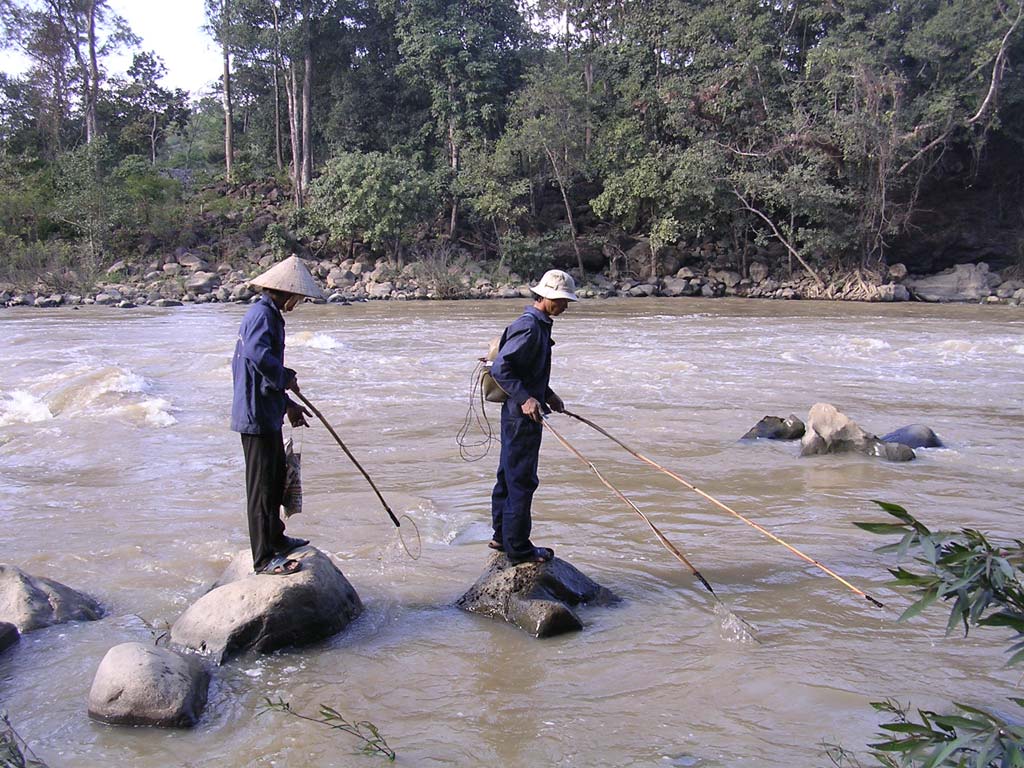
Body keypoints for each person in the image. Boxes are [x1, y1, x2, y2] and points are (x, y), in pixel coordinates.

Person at [231, 255, 323, 575]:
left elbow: (263, 372)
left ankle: (276, 538)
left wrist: (288, 404)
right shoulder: (261, 315)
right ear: (286, 293)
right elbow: (258, 358)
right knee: (260, 489)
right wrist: (285, 376)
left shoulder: (270, 315)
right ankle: (263, 558)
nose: (299, 302)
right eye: (299, 297)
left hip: (267, 411)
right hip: (255, 416)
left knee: (274, 480)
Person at [489, 269, 578, 565]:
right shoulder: (530, 328)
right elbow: (502, 368)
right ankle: (519, 548)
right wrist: (527, 399)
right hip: (521, 417)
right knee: (522, 480)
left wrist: (547, 394)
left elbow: (527, 369)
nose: (565, 306)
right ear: (545, 297)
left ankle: (502, 536)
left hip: (519, 413)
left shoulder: (540, 325)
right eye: (561, 300)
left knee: (508, 474)